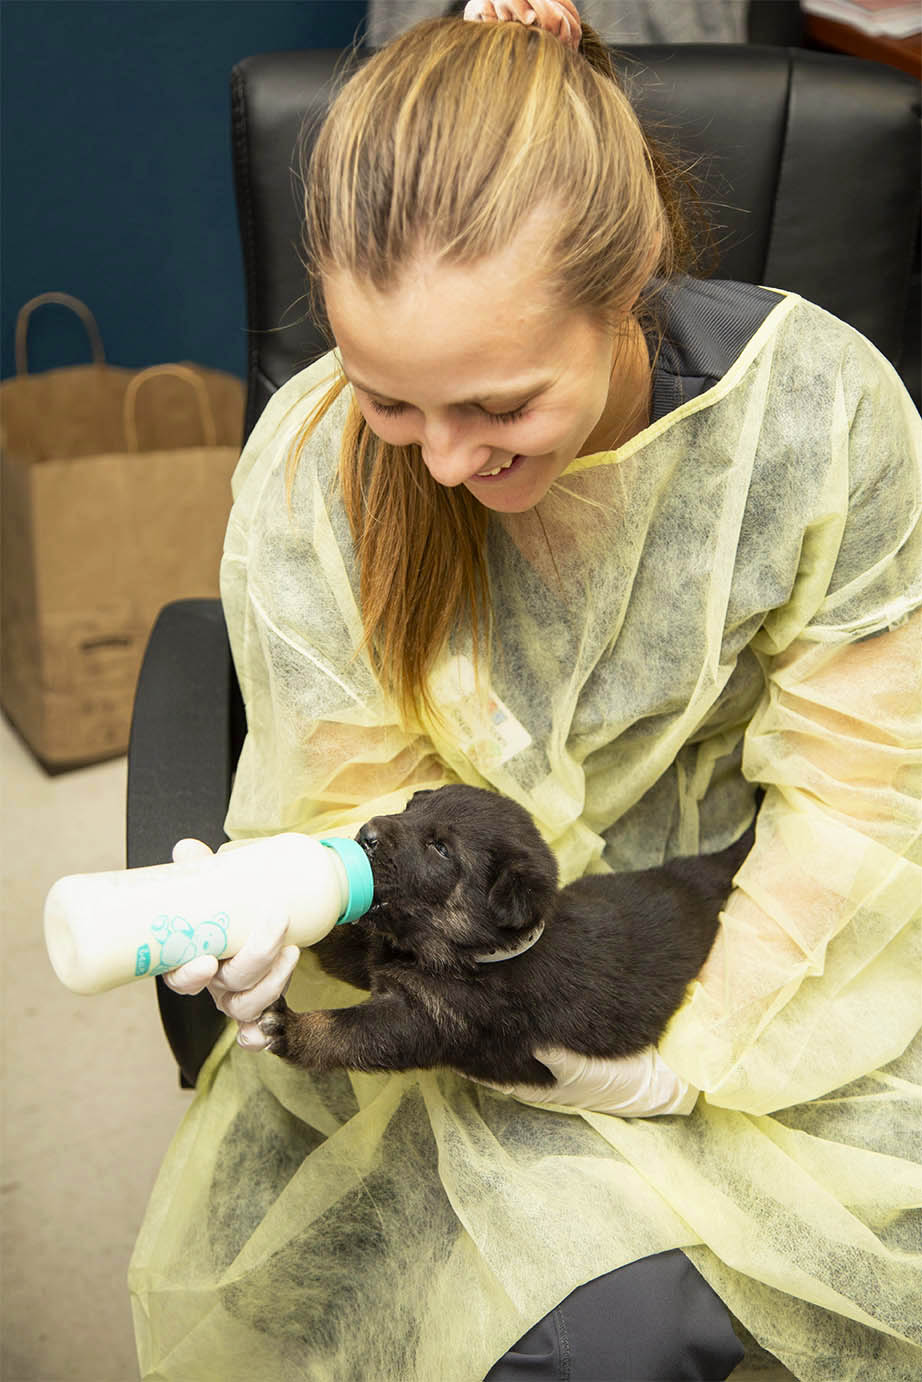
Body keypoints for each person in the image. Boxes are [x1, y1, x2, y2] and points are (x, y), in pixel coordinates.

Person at [128, 3, 922, 1379]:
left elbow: (859, 797)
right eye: (390, 400)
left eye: (497, 408)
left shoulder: (818, 414)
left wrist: (691, 1059)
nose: (438, 460)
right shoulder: (314, 464)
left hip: (753, 950)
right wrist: (306, 892)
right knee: (573, 1336)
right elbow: (351, 794)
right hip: (451, 984)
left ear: (630, 291)